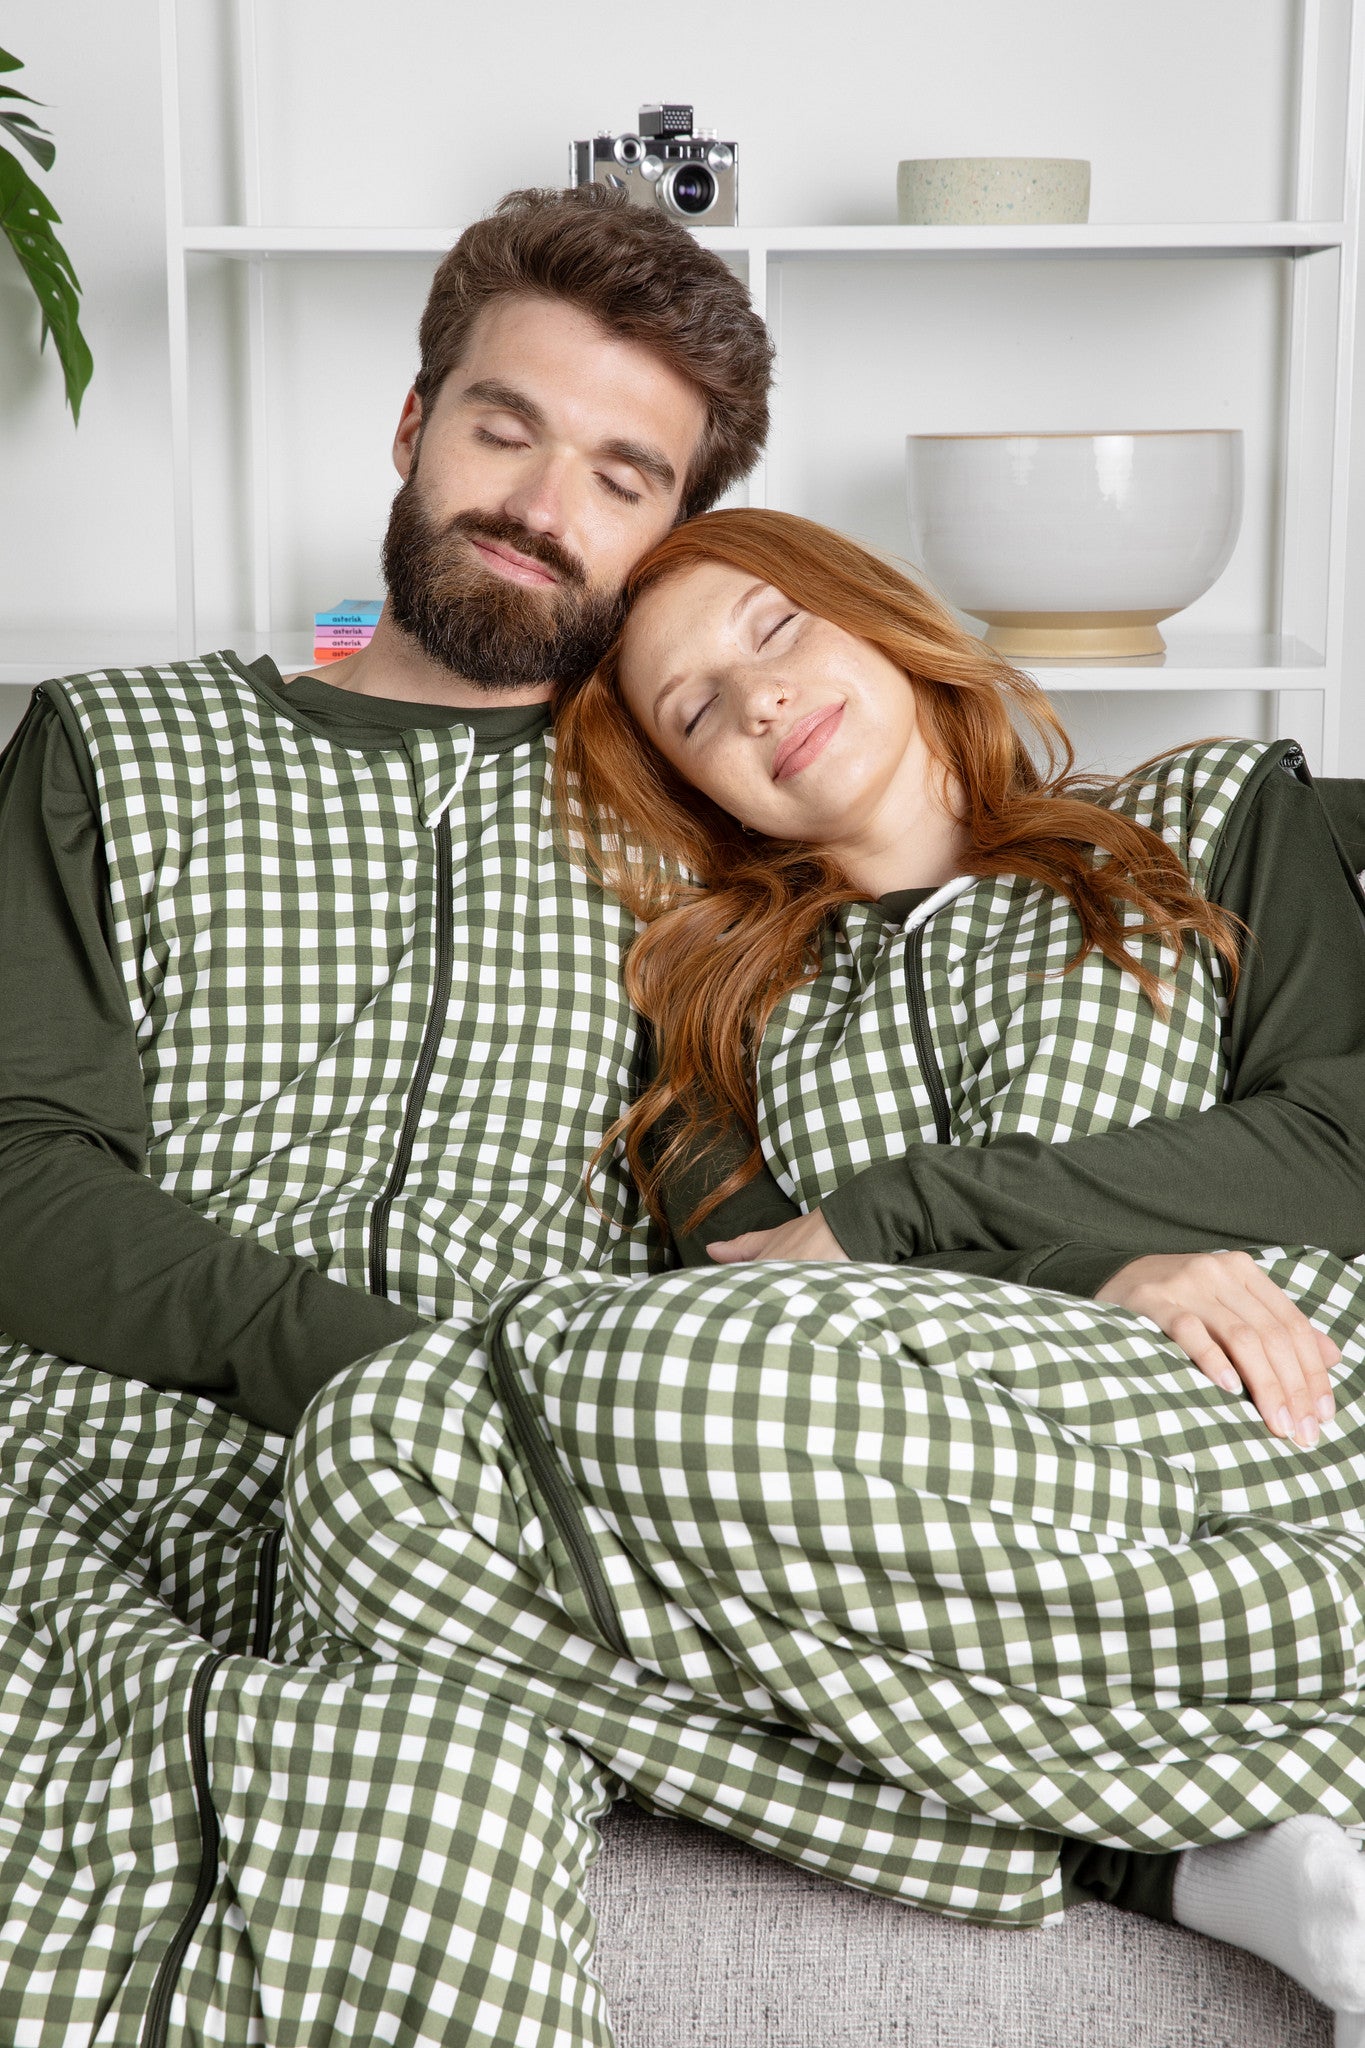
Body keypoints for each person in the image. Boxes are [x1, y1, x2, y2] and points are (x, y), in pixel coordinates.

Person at [281, 508, 1365, 2044]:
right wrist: (1084, 1261)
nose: (757, 702)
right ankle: (1193, 1862)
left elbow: (1337, 1141)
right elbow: (744, 1310)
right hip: (936, 1499)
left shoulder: (1208, 813)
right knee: (370, 1458)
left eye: (772, 632)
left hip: (1251, 1413)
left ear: (875, 616)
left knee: (621, 1362)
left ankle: (1242, 1753)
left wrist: (907, 1208)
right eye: (696, 712)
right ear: (688, 784)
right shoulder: (715, 1022)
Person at [0, 186, 773, 2045]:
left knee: (443, 1798)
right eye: (503, 429)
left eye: (618, 474)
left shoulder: (705, 838)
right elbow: (19, 1171)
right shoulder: (113, 744)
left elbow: (758, 1204)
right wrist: (377, 1359)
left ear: (672, 534)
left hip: (479, 1525)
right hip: (81, 1465)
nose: (538, 505)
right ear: (416, 430)